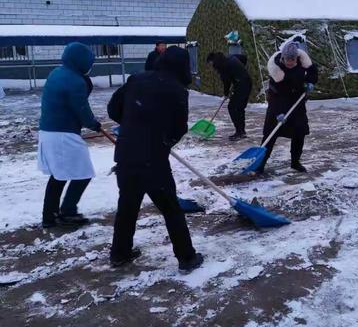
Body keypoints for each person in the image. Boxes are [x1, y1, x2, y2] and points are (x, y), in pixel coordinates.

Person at [107, 46, 203, 271]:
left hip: (126, 156)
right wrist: (163, 141)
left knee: (127, 206)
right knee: (170, 208)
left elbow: (113, 110)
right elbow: (179, 127)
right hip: (153, 161)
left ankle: (119, 254)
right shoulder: (178, 90)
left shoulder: (136, 79)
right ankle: (186, 257)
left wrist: (133, 124)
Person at [38, 42, 102, 228]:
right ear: (80, 61)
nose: (89, 67)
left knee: (59, 175)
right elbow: (82, 109)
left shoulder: (56, 73)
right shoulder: (75, 81)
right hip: (63, 134)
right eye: (88, 63)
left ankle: (49, 216)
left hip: (48, 132)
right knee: (83, 173)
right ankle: (68, 211)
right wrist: (94, 124)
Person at [255, 40, 318, 174]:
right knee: (270, 135)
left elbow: (313, 72)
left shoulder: (303, 62)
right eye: (287, 60)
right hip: (278, 102)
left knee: (299, 133)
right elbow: (276, 95)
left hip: (297, 102)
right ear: (282, 58)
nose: (290, 62)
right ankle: (260, 164)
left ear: (297, 58)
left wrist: (310, 82)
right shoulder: (276, 71)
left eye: (293, 60)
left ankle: (295, 162)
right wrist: (279, 112)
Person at [206, 52, 252, 141]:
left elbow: (226, 82)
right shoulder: (232, 57)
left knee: (233, 108)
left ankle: (240, 132)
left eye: (211, 63)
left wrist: (226, 93)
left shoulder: (223, 67)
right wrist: (240, 72)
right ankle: (241, 131)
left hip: (242, 85)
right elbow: (244, 58)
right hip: (246, 82)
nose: (211, 66)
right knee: (238, 108)